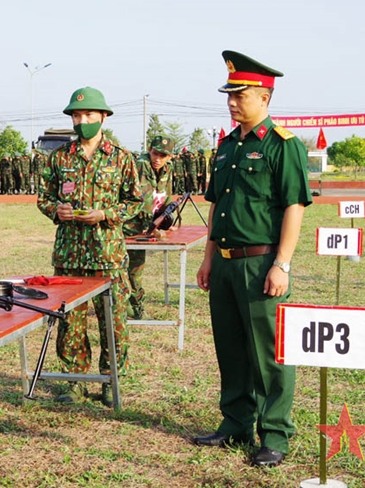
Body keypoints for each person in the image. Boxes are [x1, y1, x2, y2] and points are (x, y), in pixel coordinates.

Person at [194, 51, 312, 468]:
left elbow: (295, 206)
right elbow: (215, 207)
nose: (231, 102)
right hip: (225, 263)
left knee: (270, 353)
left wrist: (282, 264)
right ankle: (236, 423)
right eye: (229, 94)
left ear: (263, 97)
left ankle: (275, 433)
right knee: (231, 348)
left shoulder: (283, 146)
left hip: (261, 263)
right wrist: (209, 259)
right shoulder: (226, 147)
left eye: (240, 94)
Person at [37, 86, 143, 407]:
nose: (83, 120)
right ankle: (75, 381)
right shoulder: (59, 158)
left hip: (107, 254)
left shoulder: (121, 159)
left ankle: (111, 380)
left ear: (103, 117)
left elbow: (134, 202)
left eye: (89, 115)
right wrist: (56, 209)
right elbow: (44, 197)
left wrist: (106, 214)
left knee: (113, 320)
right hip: (69, 255)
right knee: (71, 321)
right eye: (77, 115)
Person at [122, 135, 176, 319]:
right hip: (130, 226)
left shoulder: (167, 169)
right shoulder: (142, 164)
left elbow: (166, 198)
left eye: (163, 155)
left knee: (134, 269)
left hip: (144, 227)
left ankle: (133, 308)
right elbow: (143, 203)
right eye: (155, 153)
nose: (157, 158)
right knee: (128, 269)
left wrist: (166, 221)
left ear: (170, 157)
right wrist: (153, 227)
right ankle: (131, 309)